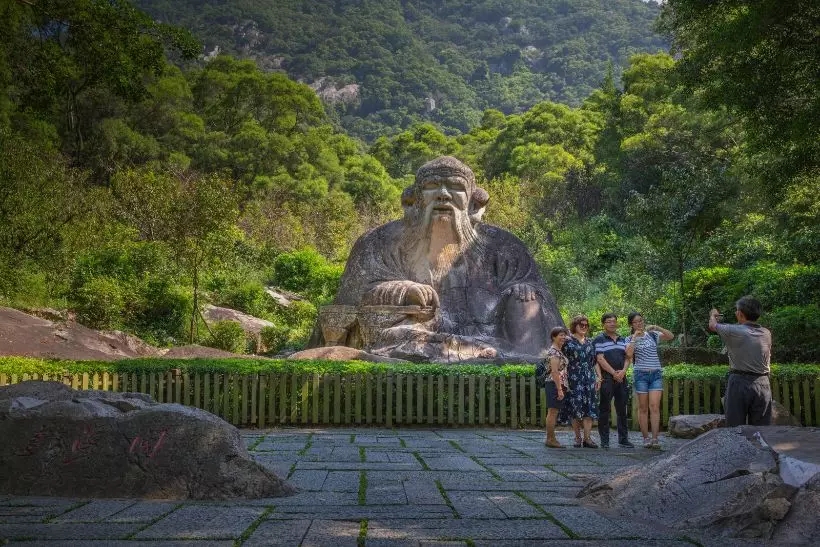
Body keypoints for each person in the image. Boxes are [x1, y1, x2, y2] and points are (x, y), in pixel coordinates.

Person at [316, 156, 564, 362]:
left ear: (473, 204)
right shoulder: (378, 242)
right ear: (413, 200)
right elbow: (352, 301)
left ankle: (524, 361)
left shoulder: (503, 246)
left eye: (455, 187)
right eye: (432, 186)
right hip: (408, 334)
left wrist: (525, 289)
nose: (443, 195)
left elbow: (539, 295)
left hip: (487, 335)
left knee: (526, 298)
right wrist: (404, 291)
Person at [709, 296, 773, 426]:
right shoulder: (766, 333)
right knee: (762, 429)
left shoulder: (734, 331)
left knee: (734, 427)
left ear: (740, 313)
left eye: (736, 310)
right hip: (763, 383)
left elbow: (712, 326)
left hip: (739, 382)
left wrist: (713, 314)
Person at [625, 312, 674, 449]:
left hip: (656, 374)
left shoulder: (652, 335)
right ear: (631, 324)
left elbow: (670, 336)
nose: (639, 324)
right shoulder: (629, 339)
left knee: (654, 407)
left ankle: (655, 438)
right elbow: (629, 354)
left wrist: (657, 327)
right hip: (641, 375)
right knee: (643, 408)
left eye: (640, 321)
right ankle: (645, 438)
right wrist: (635, 336)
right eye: (635, 322)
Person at [560, 315, 601, 448]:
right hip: (573, 377)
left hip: (589, 378)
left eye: (586, 325)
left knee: (589, 407)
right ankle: (577, 437)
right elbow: (560, 359)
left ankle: (587, 438)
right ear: (575, 326)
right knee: (575, 407)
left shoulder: (590, 342)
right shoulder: (567, 341)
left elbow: (594, 361)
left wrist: (599, 376)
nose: (584, 327)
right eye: (581, 325)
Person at [594, 313, 633, 449]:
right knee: (604, 409)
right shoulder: (599, 339)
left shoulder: (623, 340)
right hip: (607, 378)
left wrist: (623, 372)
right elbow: (599, 359)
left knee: (622, 409)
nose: (612, 323)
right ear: (603, 324)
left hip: (622, 377)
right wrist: (613, 373)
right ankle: (604, 440)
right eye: (609, 321)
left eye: (614, 321)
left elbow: (628, 357)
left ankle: (623, 439)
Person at [542, 326, 570, 448]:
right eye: (560, 335)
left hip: (558, 384)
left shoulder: (559, 351)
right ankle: (550, 439)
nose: (563, 337)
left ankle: (551, 437)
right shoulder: (554, 352)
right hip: (554, 384)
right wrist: (559, 389)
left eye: (564, 335)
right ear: (554, 337)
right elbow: (554, 372)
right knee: (552, 412)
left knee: (554, 411)